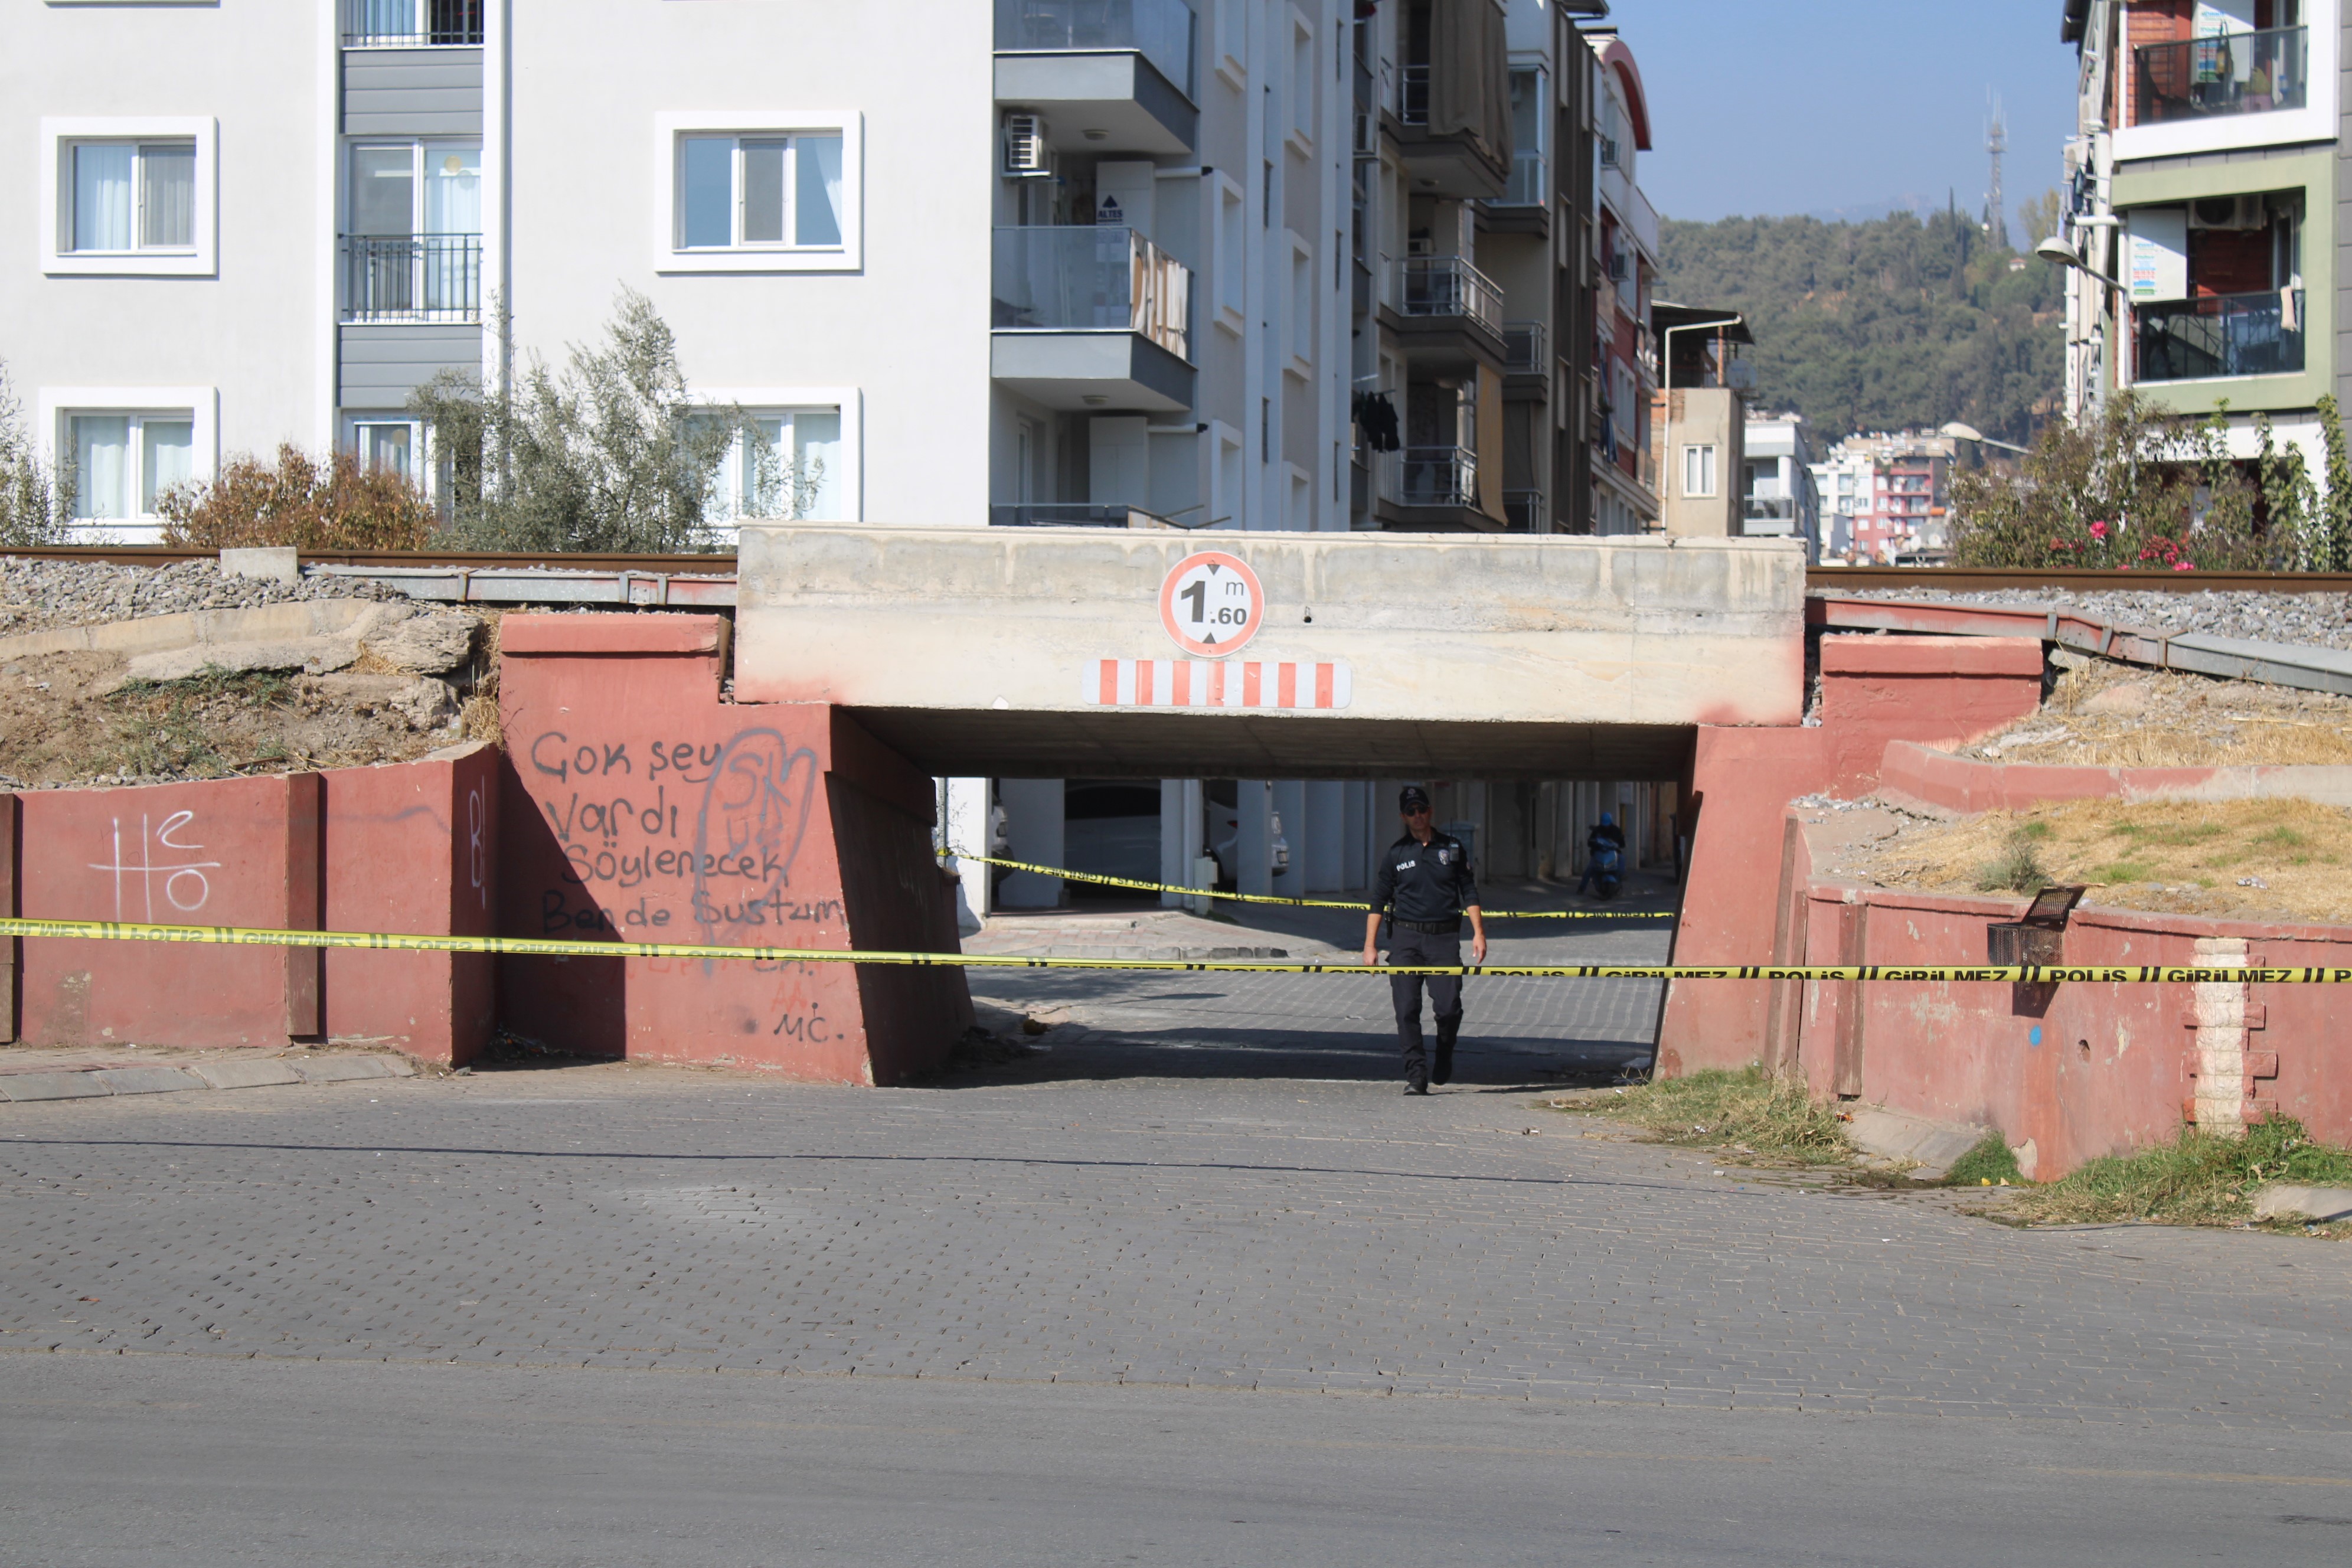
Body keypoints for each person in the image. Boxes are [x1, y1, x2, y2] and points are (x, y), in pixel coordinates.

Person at [1361, 785, 1486, 1095]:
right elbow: (1378, 901)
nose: (1418, 816)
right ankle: (1416, 1076)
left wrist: (1479, 933)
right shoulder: (1396, 854)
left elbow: (1468, 890)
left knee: (1449, 1009)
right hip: (1405, 938)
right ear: (1403, 817)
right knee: (1406, 1009)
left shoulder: (1452, 848)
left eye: (1422, 810)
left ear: (1430, 812)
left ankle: (1445, 1051)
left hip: (1443, 938)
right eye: (1411, 812)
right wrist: (1370, 945)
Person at [1577, 812, 1626, 897]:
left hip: (1612, 853)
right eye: (1604, 824)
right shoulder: (1597, 830)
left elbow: (1622, 844)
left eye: (1607, 824)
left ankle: (1620, 880)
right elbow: (1590, 842)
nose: (1605, 826)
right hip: (1599, 853)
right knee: (1590, 869)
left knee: (1621, 860)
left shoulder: (1616, 830)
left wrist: (1617, 844)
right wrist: (1594, 843)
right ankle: (1582, 888)